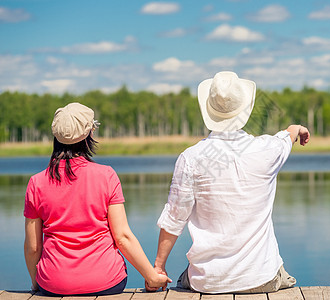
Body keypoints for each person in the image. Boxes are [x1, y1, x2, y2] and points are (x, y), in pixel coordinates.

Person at [149, 71, 310, 294]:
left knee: (183, 279)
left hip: (207, 282)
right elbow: (287, 136)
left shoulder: (190, 158)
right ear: (245, 109)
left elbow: (175, 218)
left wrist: (158, 267)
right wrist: (298, 128)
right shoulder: (268, 150)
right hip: (261, 278)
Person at [24, 102, 171, 296]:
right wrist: (151, 276)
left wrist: (38, 282)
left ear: (55, 136)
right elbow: (122, 237)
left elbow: (33, 247)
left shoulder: (36, 183)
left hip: (53, 284)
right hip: (106, 281)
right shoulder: (107, 176)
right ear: (89, 134)